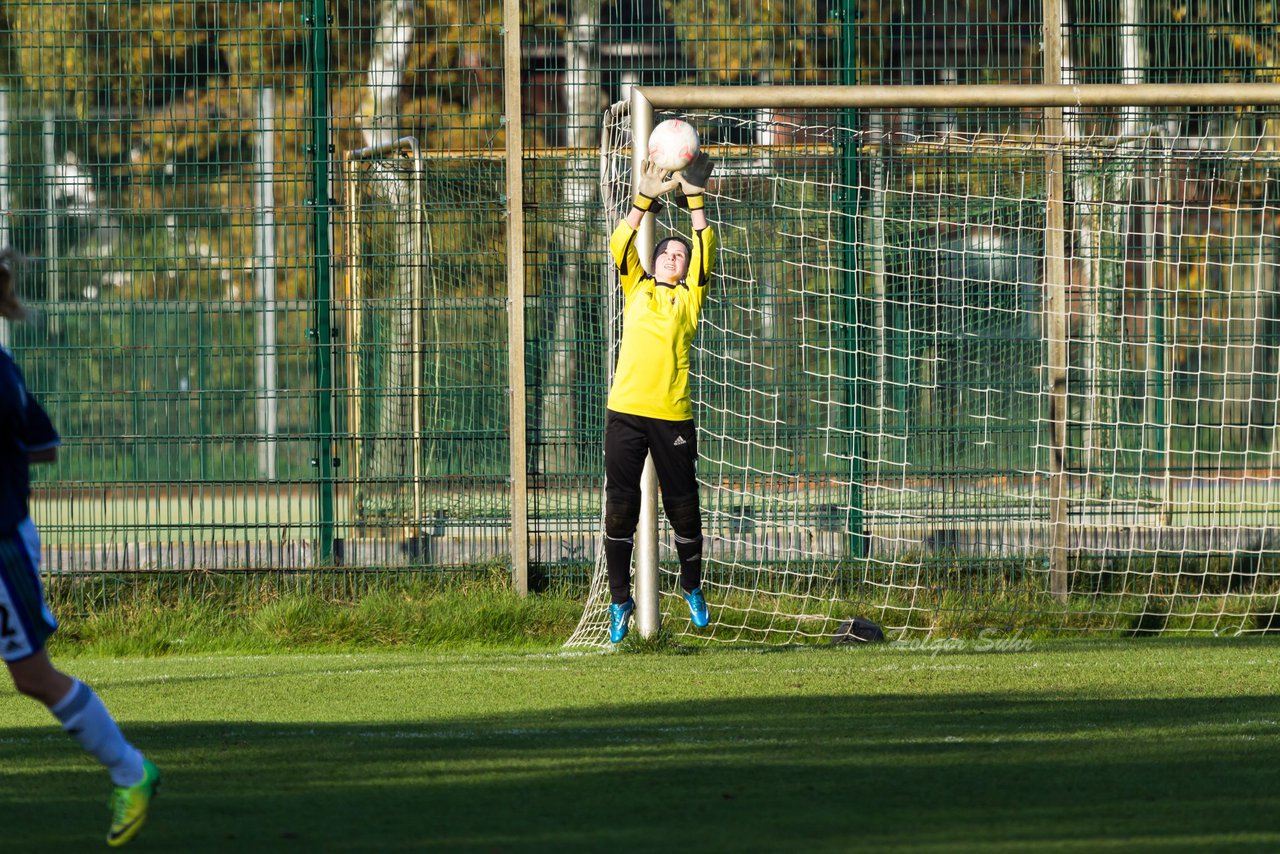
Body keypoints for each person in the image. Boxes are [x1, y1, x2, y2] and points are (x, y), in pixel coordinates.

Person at [0, 249, 159, 847]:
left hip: (2, 546)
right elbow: (41, 444)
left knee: (33, 678)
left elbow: (38, 446)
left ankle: (130, 770)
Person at [603, 151, 717, 643]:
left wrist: (694, 198)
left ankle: (692, 587)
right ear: (653, 261)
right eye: (667, 253)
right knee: (621, 509)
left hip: (672, 416)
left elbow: (705, 246)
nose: (675, 257)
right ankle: (620, 600)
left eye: (681, 256)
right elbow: (618, 244)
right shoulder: (636, 287)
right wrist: (643, 199)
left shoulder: (690, 298)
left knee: (684, 507)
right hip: (625, 412)